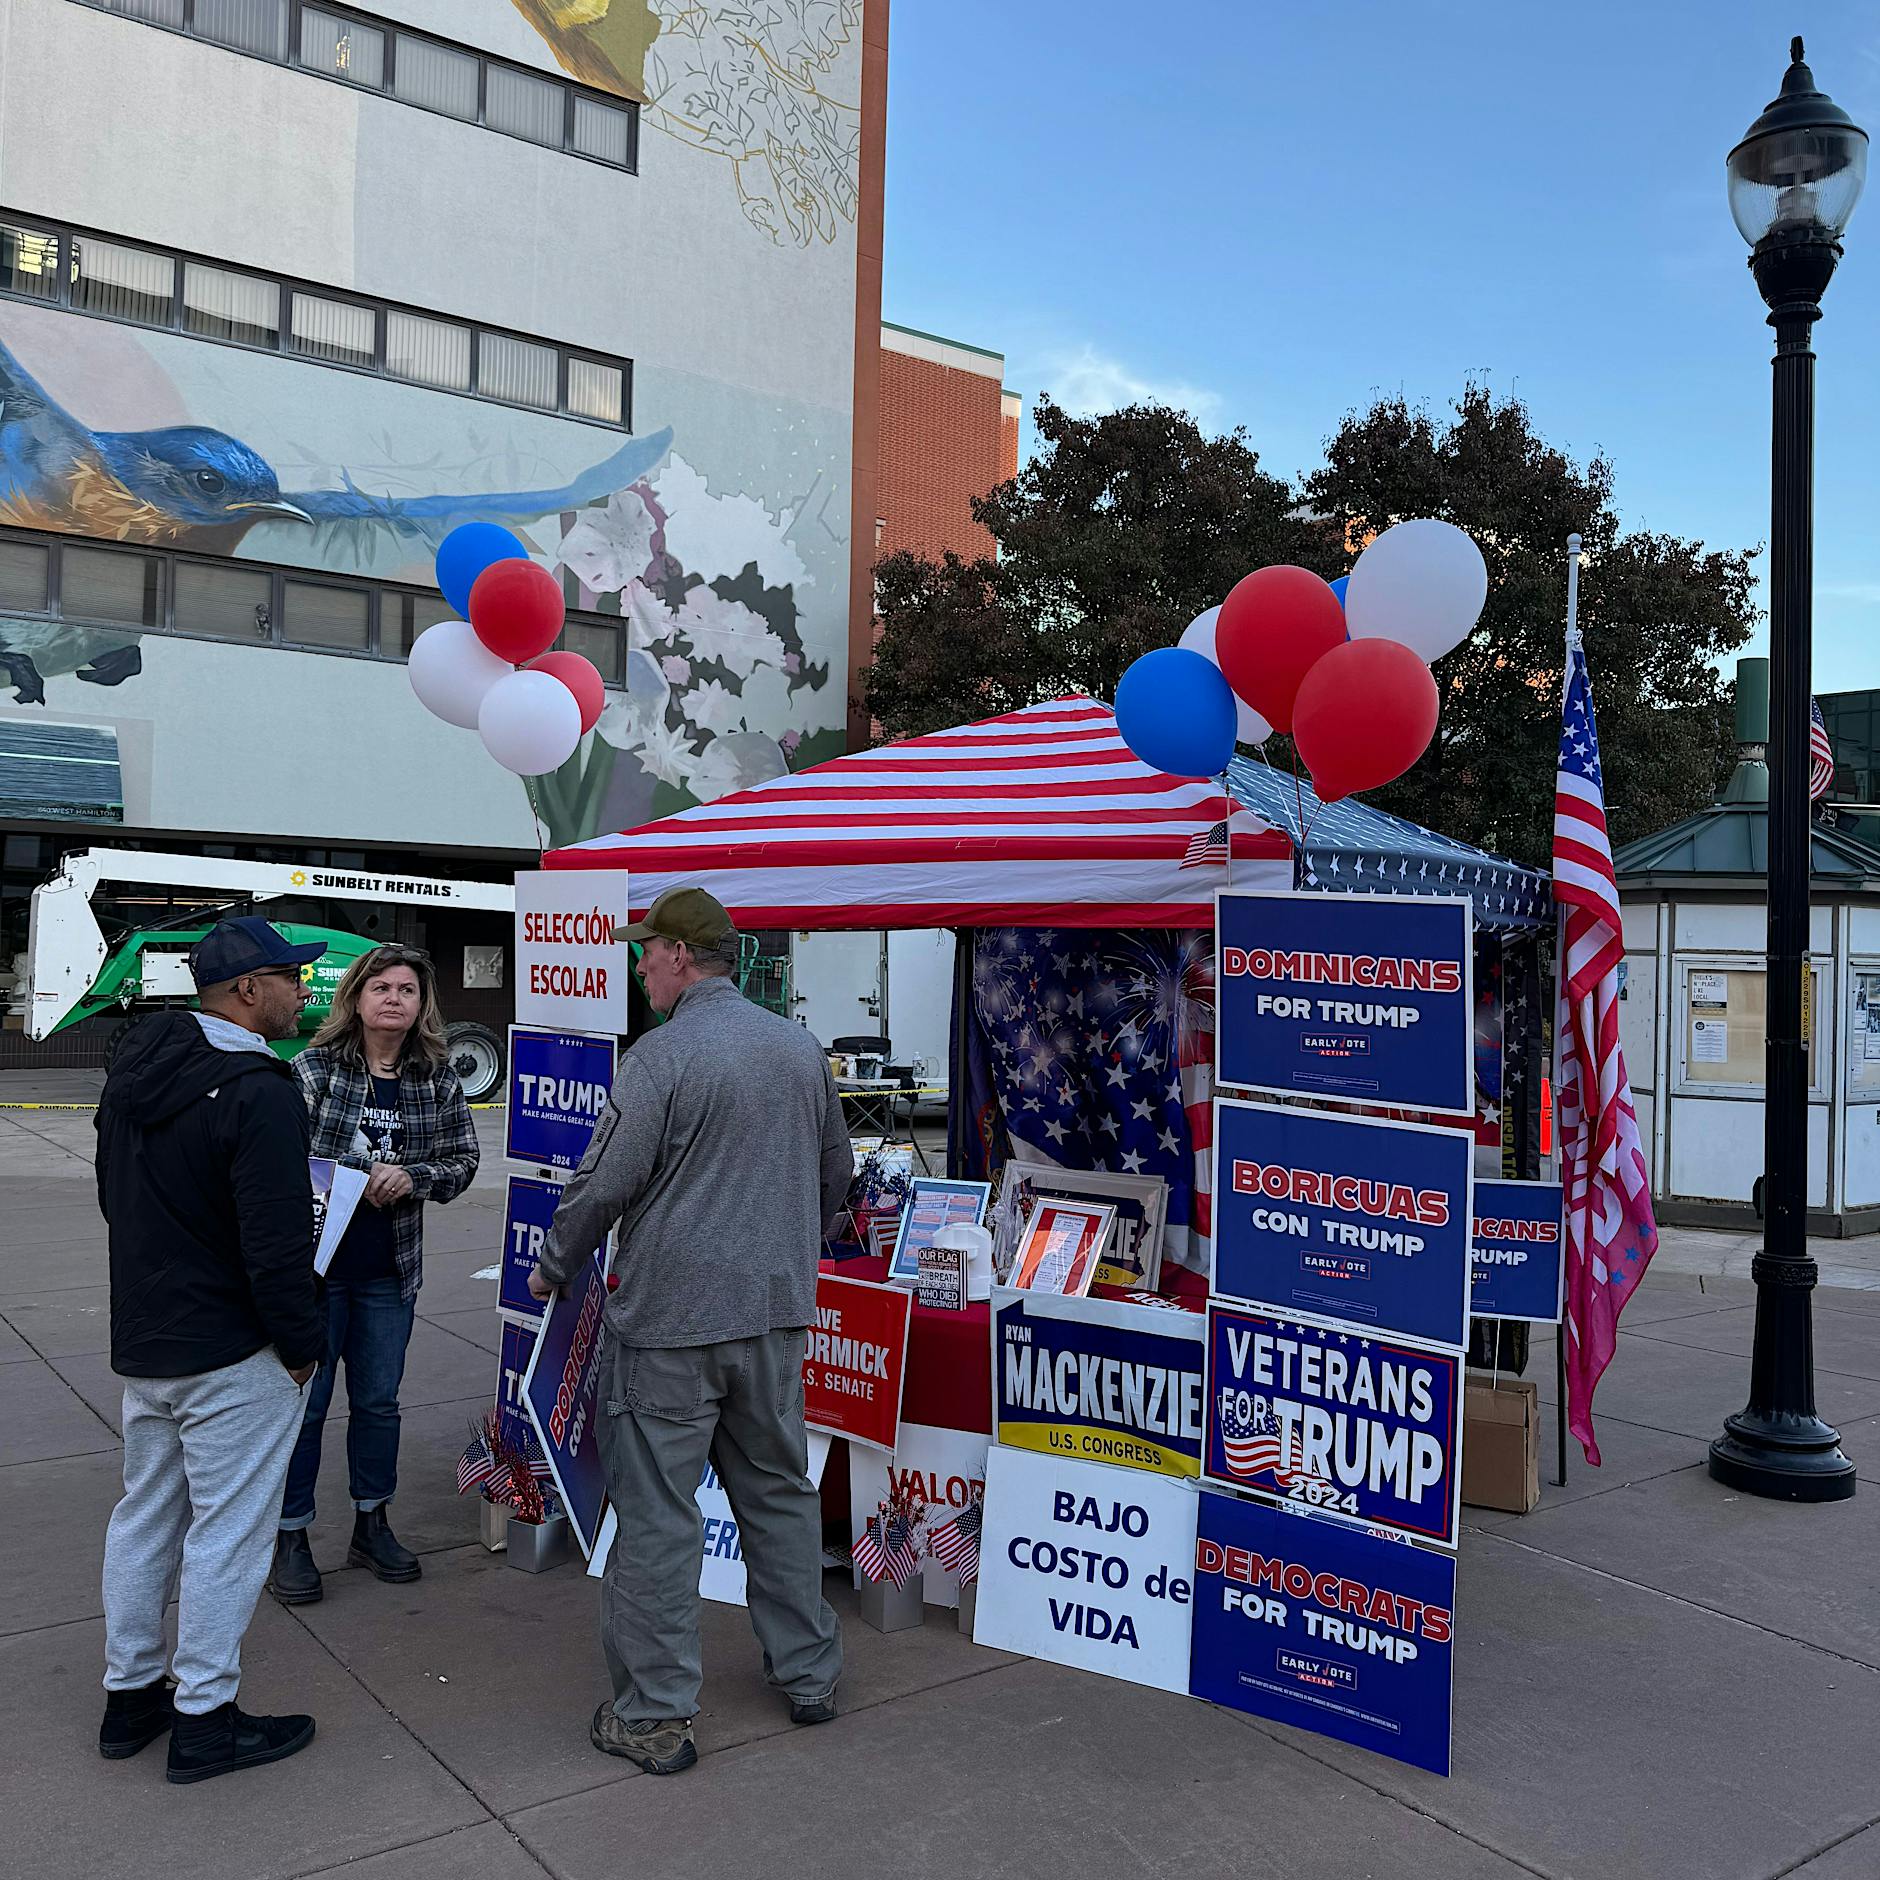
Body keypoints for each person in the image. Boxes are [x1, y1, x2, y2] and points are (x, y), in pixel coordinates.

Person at [529, 885, 852, 1778]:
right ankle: (811, 1675)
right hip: (772, 1316)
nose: (639, 967)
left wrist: (553, 1262)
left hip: (670, 1324)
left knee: (657, 1519)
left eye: (646, 952)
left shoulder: (662, 1056)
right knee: (779, 1495)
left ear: (680, 955)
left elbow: (603, 1184)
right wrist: (782, 1246)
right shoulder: (797, 1048)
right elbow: (836, 1174)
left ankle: (655, 1715)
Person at [96, 916, 330, 1784]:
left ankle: (130, 1697)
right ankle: (204, 1719)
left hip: (148, 1340)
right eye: (290, 977)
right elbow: (277, 1242)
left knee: (145, 1517)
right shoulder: (259, 1089)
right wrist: (301, 1344)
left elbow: (114, 1201)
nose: (303, 991)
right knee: (228, 1535)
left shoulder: (134, 1076)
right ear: (246, 990)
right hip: (234, 1349)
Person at [269, 943, 480, 1604]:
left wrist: (413, 1177)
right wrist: (355, 1176)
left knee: (379, 1403)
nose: (394, 999)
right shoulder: (313, 1069)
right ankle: (290, 1534)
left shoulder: (437, 1077)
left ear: (422, 1005)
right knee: (305, 1407)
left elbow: (464, 1161)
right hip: (315, 1273)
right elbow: (277, 1159)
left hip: (390, 1273)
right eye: (381, 987)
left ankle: (372, 1522)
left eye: (406, 990)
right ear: (357, 998)